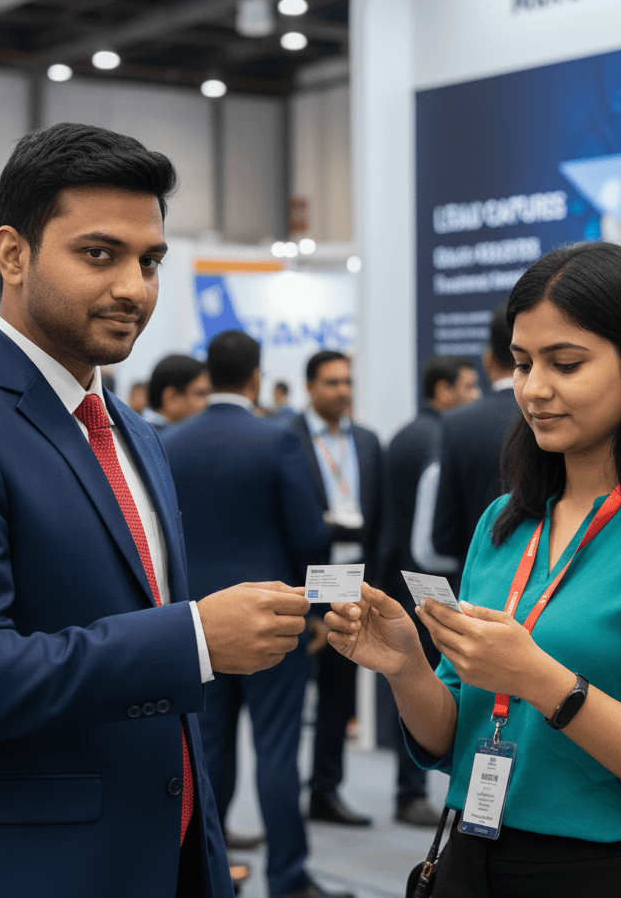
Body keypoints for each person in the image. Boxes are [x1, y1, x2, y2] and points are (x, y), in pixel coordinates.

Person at [0, 122, 311, 898]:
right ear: (12, 253)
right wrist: (197, 637)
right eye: (99, 254)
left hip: (163, 859)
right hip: (21, 870)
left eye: (150, 260)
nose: (134, 287)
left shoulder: (135, 433)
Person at [326, 241, 621, 896]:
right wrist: (407, 666)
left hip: (617, 871)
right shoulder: (506, 521)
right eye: (522, 363)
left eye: (566, 364)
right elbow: (455, 736)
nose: (534, 390)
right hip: (472, 855)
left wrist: (542, 679)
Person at [162, 330, 341, 898]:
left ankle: (209, 875)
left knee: (208, 750)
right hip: (275, 618)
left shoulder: (168, 441)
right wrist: (316, 612)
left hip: (199, 622)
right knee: (278, 750)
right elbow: (311, 534)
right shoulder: (278, 440)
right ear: (257, 376)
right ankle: (287, 878)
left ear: (208, 375)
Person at [379, 354, 477, 826]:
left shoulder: (400, 436)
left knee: (408, 686)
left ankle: (407, 789)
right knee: (427, 685)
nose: (473, 396)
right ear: (441, 390)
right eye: (466, 385)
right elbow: (431, 538)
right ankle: (410, 792)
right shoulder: (440, 439)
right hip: (431, 588)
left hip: (399, 579)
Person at [291, 351, 382, 827]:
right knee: (287, 696)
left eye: (348, 382)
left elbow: (381, 519)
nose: (343, 391)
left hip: (352, 583)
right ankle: (281, 798)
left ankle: (325, 792)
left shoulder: (367, 442)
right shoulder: (287, 439)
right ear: (310, 387)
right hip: (303, 584)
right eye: (332, 383)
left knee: (339, 694)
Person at [428, 304, 519, 569]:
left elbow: (443, 536)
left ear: (488, 359)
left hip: (477, 581)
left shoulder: (456, 424)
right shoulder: (560, 417)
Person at [144, 353, 211, 426]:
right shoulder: (153, 435)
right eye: (201, 394)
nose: (209, 401)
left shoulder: (144, 431)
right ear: (172, 398)